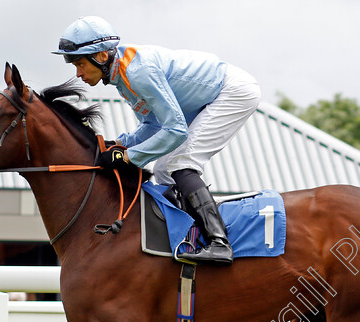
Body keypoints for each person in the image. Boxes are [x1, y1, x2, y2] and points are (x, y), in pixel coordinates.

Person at [52, 16, 261, 265]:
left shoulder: (138, 73)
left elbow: (175, 130)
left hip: (233, 91)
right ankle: (192, 236)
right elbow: (153, 125)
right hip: (213, 96)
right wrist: (118, 144)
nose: (77, 74)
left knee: (182, 162)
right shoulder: (123, 77)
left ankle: (219, 243)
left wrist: (128, 156)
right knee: (163, 169)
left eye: (80, 63)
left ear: (101, 56)